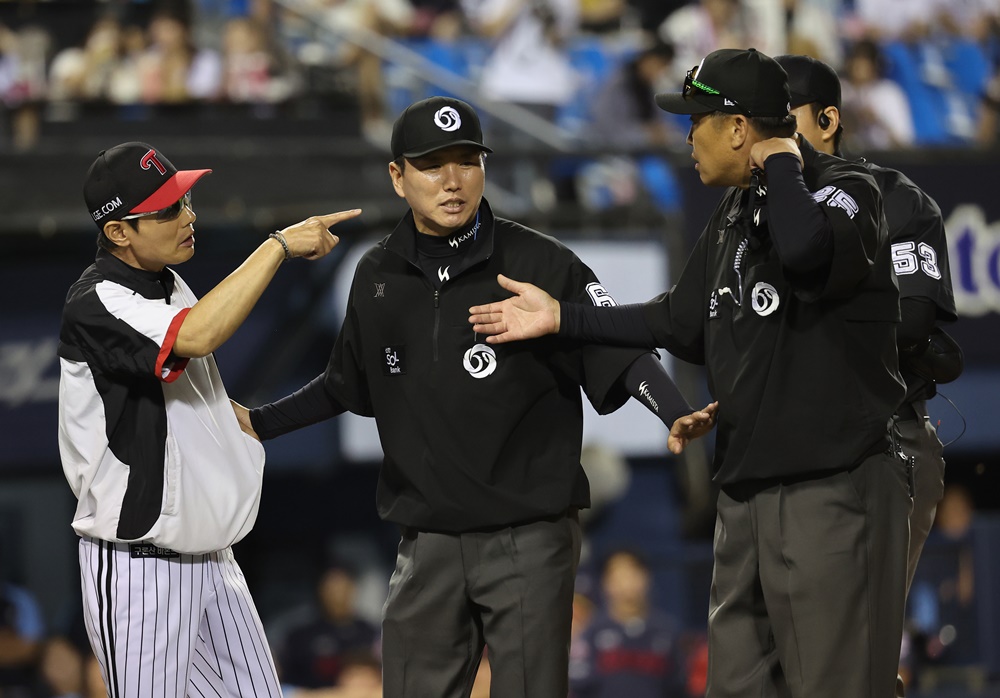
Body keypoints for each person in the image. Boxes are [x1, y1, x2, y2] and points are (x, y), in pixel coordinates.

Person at [469, 48, 913, 698]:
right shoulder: (733, 216)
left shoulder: (848, 190)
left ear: (739, 129)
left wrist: (782, 156)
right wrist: (562, 318)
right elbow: (678, 322)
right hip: (745, 497)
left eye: (698, 119)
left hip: (833, 491)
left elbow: (806, 252)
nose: (686, 135)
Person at [240, 95, 717, 697]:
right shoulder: (377, 274)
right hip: (429, 540)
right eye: (433, 164)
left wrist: (673, 408)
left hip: (528, 534)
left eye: (467, 161)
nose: (453, 180)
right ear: (397, 176)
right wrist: (258, 423)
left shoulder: (538, 260)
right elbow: (345, 384)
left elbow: (617, 349)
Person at [58, 140, 357, 697]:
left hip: (212, 558)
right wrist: (278, 247)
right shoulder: (95, 299)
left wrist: (232, 419)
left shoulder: (169, 281)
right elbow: (198, 334)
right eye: (168, 209)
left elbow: (189, 384)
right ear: (119, 231)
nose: (188, 216)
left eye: (186, 199)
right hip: (138, 565)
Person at [774, 52, 962, 603]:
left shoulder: (894, 197)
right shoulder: (744, 211)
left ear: (827, 121)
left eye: (783, 117)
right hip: (781, 449)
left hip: (882, 437)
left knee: (858, 639)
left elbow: (914, 319)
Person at [569, 549, 686, 697]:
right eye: (618, 575)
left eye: (632, 573)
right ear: (605, 582)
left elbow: (677, 687)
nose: (626, 582)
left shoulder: (667, 631)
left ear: (646, 577)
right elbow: (579, 686)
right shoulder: (591, 631)